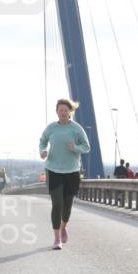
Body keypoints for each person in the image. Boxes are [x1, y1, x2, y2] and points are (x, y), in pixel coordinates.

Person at [39, 98, 91, 250]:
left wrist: (75, 147)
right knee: (57, 205)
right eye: (60, 110)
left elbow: (87, 147)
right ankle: (56, 239)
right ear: (57, 112)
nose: (63, 113)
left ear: (70, 113)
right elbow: (42, 141)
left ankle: (63, 227)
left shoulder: (77, 128)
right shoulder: (51, 128)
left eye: (66, 110)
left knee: (67, 207)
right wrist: (42, 151)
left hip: (72, 172)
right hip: (53, 170)